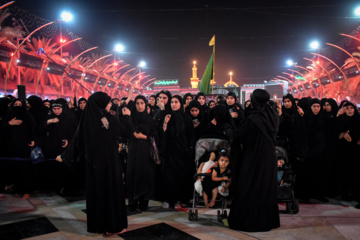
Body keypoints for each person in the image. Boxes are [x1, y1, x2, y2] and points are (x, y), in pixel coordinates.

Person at [56, 92, 131, 235]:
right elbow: (126, 132)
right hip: (110, 164)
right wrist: (126, 116)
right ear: (101, 104)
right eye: (108, 102)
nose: (110, 105)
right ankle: (113, 226)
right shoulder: (107, 118)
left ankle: (99, 225)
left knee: (98, 193)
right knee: (111, 193)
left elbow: (77, 139)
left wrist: (65, 156)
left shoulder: (87, 120)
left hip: (94, 166)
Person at [229, 89, 280, 232]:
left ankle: (249, 221)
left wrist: (228, 128)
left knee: (248, 187)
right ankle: (267, 221)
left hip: (253, 157)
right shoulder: (274, 117)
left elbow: (238, 136)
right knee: (265, 188)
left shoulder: (252, 119)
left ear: (255, 100)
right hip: (269, 158)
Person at [160, 95, 195, 209]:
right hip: (170, 152)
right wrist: (165, 123)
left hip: (182, 153)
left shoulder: (186, 118)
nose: (173, 104)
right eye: (172, 102)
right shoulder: (167, 116)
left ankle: (179, 200)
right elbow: (163, 134)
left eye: (176, 102)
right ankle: (168, 199)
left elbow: (190, 135)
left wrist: (189, 150)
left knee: (181, 177)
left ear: (180, 103)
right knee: (169, 177)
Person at [127, 95, 158, 211]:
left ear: (146, 105)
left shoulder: (150, 120)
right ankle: (132, 202)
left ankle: (144, 202)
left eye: (142, 103)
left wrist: (144, 136)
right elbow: (126, 132)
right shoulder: (131, 118)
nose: (140, 106)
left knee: (144, 176)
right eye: (137, 103)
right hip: (133, 150)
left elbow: (156, 136)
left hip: (146, 152)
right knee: (132, 174)